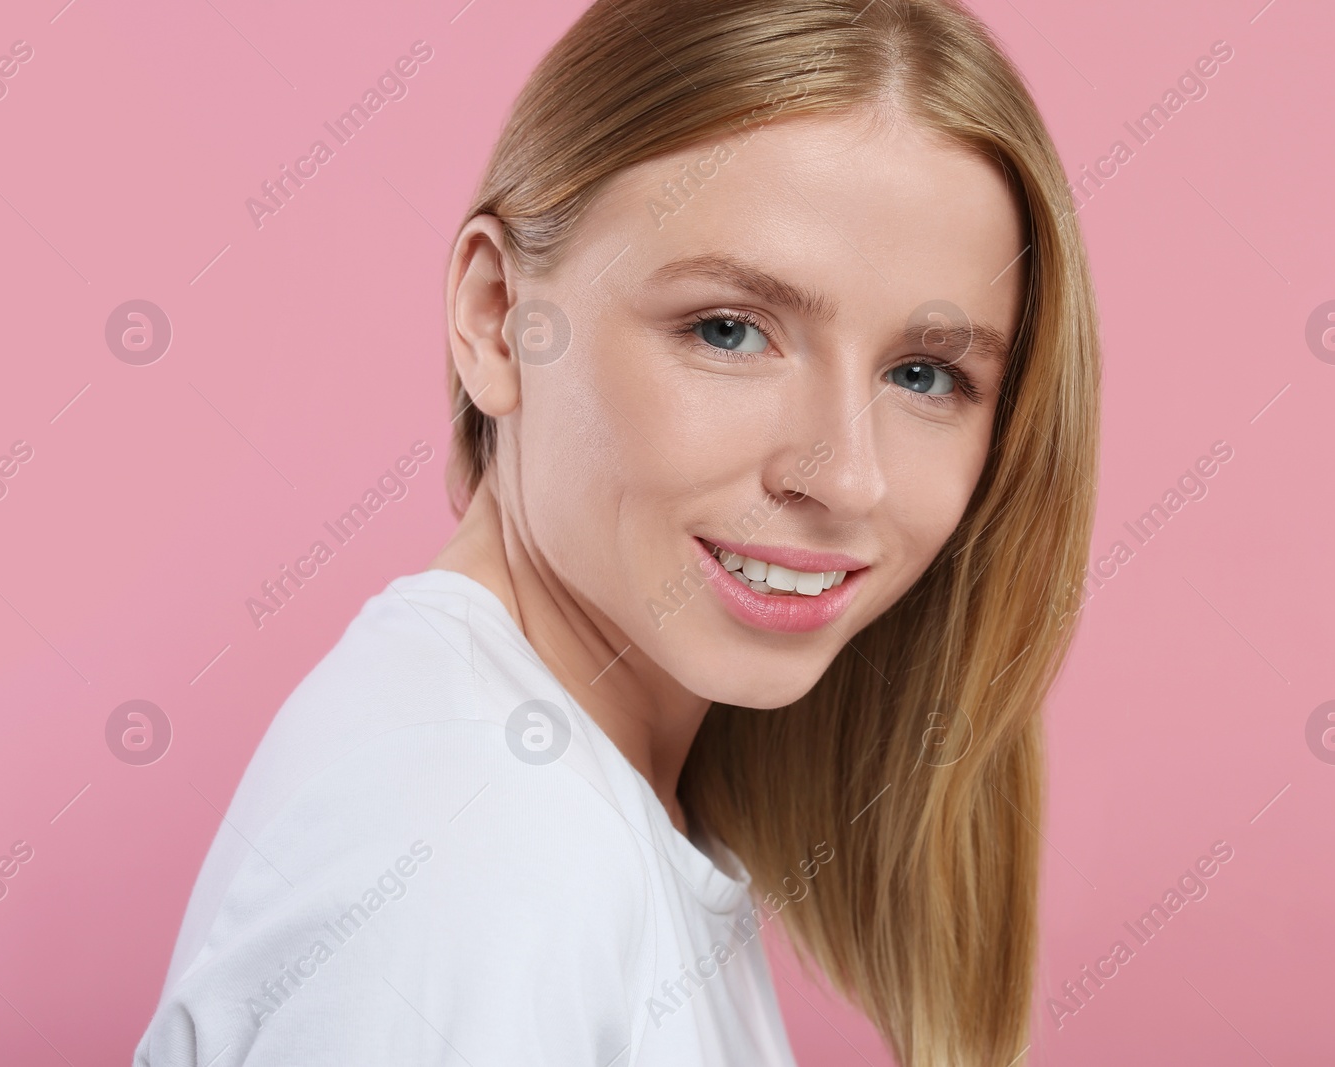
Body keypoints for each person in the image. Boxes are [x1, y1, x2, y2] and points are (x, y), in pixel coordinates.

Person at [133, 0, 1100, 1063]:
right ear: (498, 315)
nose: (846, 475)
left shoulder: (570, 796)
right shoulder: (489, 847)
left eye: (923, 374)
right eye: (729, 330)